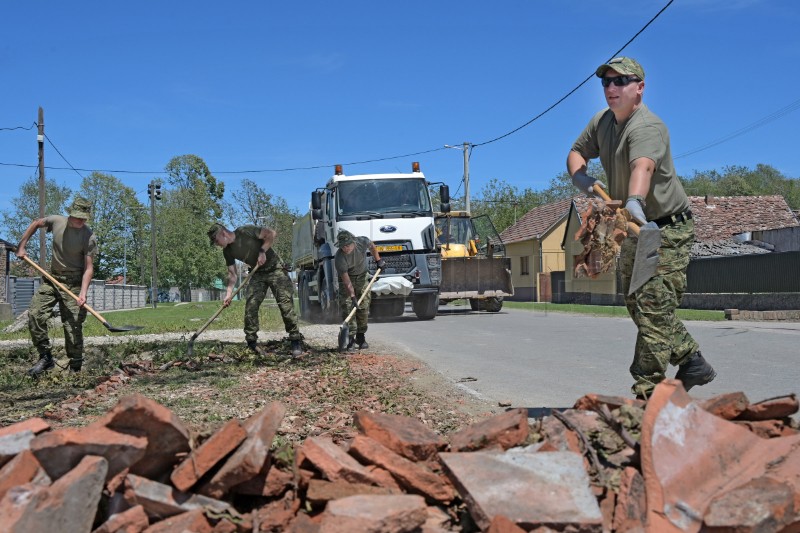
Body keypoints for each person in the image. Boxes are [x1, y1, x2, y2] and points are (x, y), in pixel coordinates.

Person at [566, 56, 716, 399]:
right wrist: (581, 177)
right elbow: (576, 152)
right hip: (631, 227)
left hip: (664, 229)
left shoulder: (647, 127)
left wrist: (634, 199)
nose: (611, 88)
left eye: (621, 81)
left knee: (652, 305)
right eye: (606, 82)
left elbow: (643, 167)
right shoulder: (602, 122)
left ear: (640, 88)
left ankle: (648, 395)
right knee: (638, 302)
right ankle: (692, 361)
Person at [16, 196, 97, 376]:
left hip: (75, 283)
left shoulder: (89, 237)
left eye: (83, 218)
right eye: (77, 217)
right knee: (35, 314)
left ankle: (75, 367)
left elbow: (89, 269)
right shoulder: (57, 221)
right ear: (70, 214)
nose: (80, 221)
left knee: (73, 325)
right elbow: (37, 223)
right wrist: (22, 245)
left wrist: (83, 293)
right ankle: (46, 357)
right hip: (52, 279)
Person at [208, 222, 303, 356]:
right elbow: (232, 274)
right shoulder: (227, 251)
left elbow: (271, 233)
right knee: (251, 305)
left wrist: (262, 251)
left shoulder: (244, 231)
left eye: (216, 241)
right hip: (257, 273)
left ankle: (295, 340)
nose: (217, 244)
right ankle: (252, 343)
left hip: (275, 269)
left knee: (285, 304)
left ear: (223, 234)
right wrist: (228, 294)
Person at [334, 230, 385, 351]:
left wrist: (378, 260)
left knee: (363, 307)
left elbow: (372, 246)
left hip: (362, 276)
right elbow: (346, 281)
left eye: (347, 245)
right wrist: (352, 297)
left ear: (353, 243)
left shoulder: (362, 241)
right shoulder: (339, 258)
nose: (345, 248)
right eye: (343, 246)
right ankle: (350, 339)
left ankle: (361, 337)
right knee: (348, 308)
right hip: (347, 280)